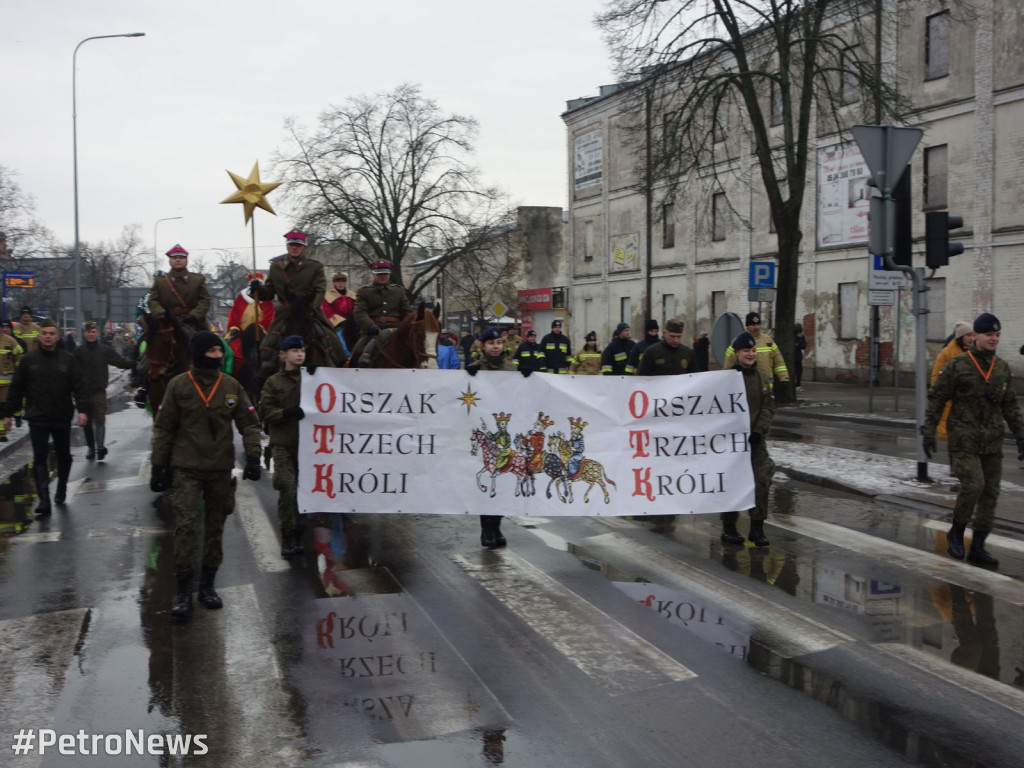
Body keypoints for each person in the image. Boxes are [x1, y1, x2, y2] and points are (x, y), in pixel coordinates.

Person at [149, 330, 263, 619]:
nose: (217, 356)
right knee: (185, 527)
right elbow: (164, 429)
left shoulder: (231, 385)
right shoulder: (179, 386)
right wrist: (158, 466)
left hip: (219, 469)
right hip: (186, 468)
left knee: (215, 529)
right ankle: (184, 593)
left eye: (219, 351)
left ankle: (208, 587)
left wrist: (252, 456)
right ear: (199, 353)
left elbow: (249, 424)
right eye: (212, 351)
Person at [922, 313, 1024, 569]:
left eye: (997, 335)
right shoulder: (958, 365)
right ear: (976, 335)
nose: (994, 339)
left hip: (991, 441)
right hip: (963, 439)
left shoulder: (1001, 368)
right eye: (989, 334)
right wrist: (929, 430)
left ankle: (978, 546)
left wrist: (1021, 436)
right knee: (974, 485)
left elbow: (1010, 406)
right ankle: (957, 530)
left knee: (990, 494)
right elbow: (937, 397)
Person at [2, 319, 89, 516]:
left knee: (64, 456)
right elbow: (17, 389)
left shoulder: (68, 360)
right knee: (39, 458)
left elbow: (79, 387)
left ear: (57, 337)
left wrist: (82, 410)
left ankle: (61, 488)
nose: (48, 336)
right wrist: (7, 414)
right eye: (44, 333)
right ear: (40, 336)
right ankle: (44, 500)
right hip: (37, 416)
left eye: (51, 333)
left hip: (61, 416)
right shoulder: (29, 361)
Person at [466, 327, 529, 548]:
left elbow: (523, 397)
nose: (496, 347)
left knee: (502, 482)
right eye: (491, 343)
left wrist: (528, 376)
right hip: (485, 434)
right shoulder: (475, 368)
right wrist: (467, 377)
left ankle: (497, 527)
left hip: (505, 434)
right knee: (487, 478)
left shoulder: (511, 368)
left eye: (499, 343)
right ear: (482, 346)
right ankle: (486, 529)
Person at [720, 331, 776, 547]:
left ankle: (757, 528)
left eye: (753, 350)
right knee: (731, 483)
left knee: (762, 479)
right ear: (737, 353)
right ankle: (729, 527)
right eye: (746, 351)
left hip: (755, 441)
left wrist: (759, 432)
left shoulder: (762, 378)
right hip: (730, 443)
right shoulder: (725, 379)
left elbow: (768, 408)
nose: (751, 354)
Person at [259, 335, 309, 558]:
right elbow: (265, 412)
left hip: (308, 447)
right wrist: (285, 413)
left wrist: (322, 374)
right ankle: (287, 533)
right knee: (288, 488)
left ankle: (299, 532)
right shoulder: (273, 382)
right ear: (283, 354)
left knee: (305, 491)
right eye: (295, 350)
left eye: (302, 351)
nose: (300, 354)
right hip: (283, 444)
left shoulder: (312, 378)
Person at [73, 321, 134, 460]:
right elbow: (72, 372)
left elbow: (119, 362)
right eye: (88, 332)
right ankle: (90, 448)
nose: (91, 334)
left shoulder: (104, 350)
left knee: (100, 418)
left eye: (93, 331)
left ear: (97, 333)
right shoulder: (78, 352)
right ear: (84, 334)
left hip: (99, 391)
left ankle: (100, 447)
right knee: (87, 422)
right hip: (83, 392)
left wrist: (134, 363)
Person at [349, 260, 413, 366]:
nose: (382, 276)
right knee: (357, 352)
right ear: (373, 274)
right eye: (379, 274)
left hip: (396, 331)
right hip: (373, 332)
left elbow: (407, 311)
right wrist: (370, 326)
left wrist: (406, 327)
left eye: (385, 274)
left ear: (389, 274)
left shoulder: (398, 291)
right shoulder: (364, 292)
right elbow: (360, 312)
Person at [929, 320, 975, 458]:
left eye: (973, 335)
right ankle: (955, 465)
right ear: (960, 337)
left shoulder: (970, 352)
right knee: (954, 432)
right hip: (951, 399)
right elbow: (937, 378)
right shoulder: (948, 353)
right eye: (968, 336)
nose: (971, 338)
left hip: (966, 400)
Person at [723, 312, 790, 397]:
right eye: (753, 325)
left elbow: (779, 361)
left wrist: (784, 378)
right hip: (746, 387)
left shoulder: (768, 340)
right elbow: (728, 363)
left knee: (766, 408)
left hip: (766, 388)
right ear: (747, 326)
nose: (756, 327)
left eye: (758, 324)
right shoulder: (738, 342)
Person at [147, 245, 212, 330]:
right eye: (174, 258)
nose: (178, 260)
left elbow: (205, 300)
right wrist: (161, 313)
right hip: (166, 323)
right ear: (170, 261)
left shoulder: (197, 280)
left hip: (194, 324)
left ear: (186, 260)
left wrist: (194, 315)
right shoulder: (160, 281)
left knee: (210, 341)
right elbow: (152, 300)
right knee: (146, 341)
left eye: (181, 257)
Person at [321, 271, 355, 356]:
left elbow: (356, 309)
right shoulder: (328, 296)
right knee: (340, 339)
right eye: (338, 281)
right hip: (338, 325)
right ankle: (346, 356)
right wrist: (341, 321)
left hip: (352, 323)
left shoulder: (352, 295)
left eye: (342, 281)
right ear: (334, 283)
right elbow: (328, 312)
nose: (340, 283)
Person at [0, 321, 22, 442]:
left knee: (3, 407)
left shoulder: (10, 341)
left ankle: (1, 433)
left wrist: (18, 372)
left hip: (6, 383)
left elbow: (19, 355)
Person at [793, 323, 808, 390]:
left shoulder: (801, 337)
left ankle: (798, 385)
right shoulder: (792, 336)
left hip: (798, 357)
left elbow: (804, 346)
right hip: (792, 357)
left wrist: (799, 342)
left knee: (799, 371)